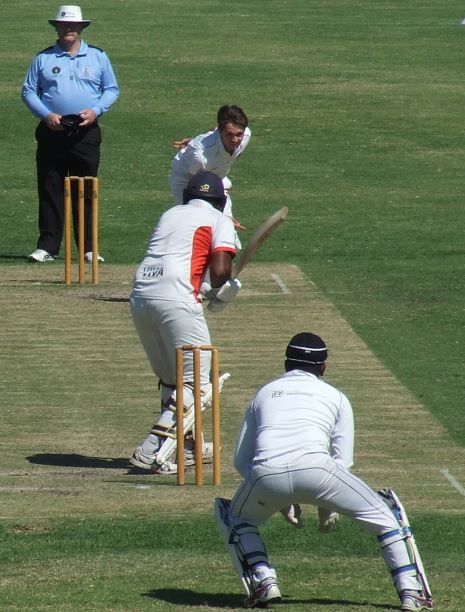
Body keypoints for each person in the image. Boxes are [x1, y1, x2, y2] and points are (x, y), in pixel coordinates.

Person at [214, 332, 433, 611]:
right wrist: (327, 504)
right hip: (320, 472)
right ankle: (411, 592)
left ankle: (264, 579)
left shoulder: (264, 393)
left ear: (286, 364)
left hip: (265, 474)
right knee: (388, 520)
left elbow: (241, 460)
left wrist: (278, 497)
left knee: (235, 519)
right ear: (323, 367)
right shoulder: (336, 397)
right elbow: (343, 463)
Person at [129, 171, 241, 474]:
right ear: (220, 201)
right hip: (176, 299)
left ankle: (187, 448)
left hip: (141, 296)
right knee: (199, 385)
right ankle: (151, 448)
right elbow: (219, 270)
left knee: (173, 381)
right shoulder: (220, 220)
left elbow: (176, 260)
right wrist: (223, 288)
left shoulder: (170, 214)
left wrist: (209, 290)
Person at [21, 5, 119, 263]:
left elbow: (111, 89)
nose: (68, 29)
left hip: (85, 132)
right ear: (56, 27)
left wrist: (96, 111)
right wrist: (46, 114)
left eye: (73, 26)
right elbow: (29, 91)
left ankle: (88, 248)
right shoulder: (43, 58)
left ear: (81, 28)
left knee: (85, 188)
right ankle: (48, 247)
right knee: (50, 186)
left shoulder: (98, 56)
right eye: (64, 25)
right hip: (52, 130)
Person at [168, 105, 251, 229]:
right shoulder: (200, 156)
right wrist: (220, 216)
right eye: (229, 135)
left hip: (216, 176)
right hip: (187, 180)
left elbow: (215, 130)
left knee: (227, 228)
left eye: (239, 134)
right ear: (220, 132)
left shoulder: (246, 135)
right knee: (197, 223)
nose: (235, 140)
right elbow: (196, 190)